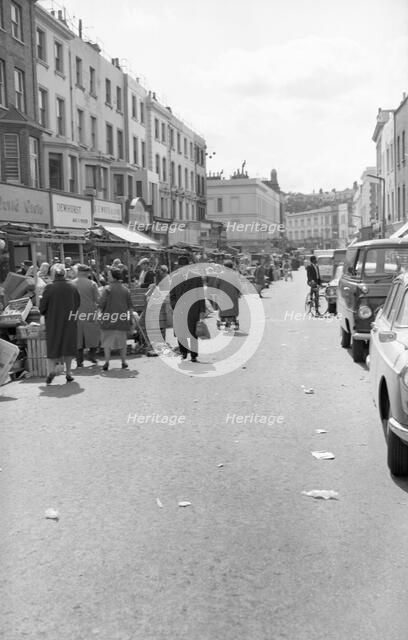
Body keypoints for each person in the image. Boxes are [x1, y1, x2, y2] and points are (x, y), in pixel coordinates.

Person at [39, 266, 81, 384]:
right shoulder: (72, 286)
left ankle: (51, 371)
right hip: (69, 322)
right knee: (68, 346)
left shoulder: (49, 287)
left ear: (53, 274)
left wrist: (44, 312)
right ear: (64, 274)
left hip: (53, 322)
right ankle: (68, 373)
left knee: (53, 345)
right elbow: (77, 303)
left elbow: (42, 307)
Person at [169, 256, 206, 362]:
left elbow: (201, 295)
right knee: (181, 333)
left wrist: (202, 310)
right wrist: (175, 306)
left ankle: (194, 355)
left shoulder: (197, 277)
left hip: (193, 310)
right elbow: (172, 295)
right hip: (179, 310)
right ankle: (183, 353)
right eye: (180, 266)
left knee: (193, 333)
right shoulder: (175, 278)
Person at [99, 267, 133, 371]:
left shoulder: (107, 289)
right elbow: (130, 307)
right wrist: (130, 320)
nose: (107, 276)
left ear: (113, 277)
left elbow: (101, 304)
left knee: (107, 342)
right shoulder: (126, 290)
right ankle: (123, 362)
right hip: (122, 320)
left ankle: (107, 362)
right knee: (122, 342)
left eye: (109, 275)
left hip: (108, 319)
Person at [72, 264, 100, 367]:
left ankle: (79, 360)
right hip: (90, 312)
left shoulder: (71, 283)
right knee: (94, 335)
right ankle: (91, 355)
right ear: (86, 273)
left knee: (78, 337)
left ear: (78, 272)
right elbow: (97, 299)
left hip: (76, 313)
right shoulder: (92, 284)